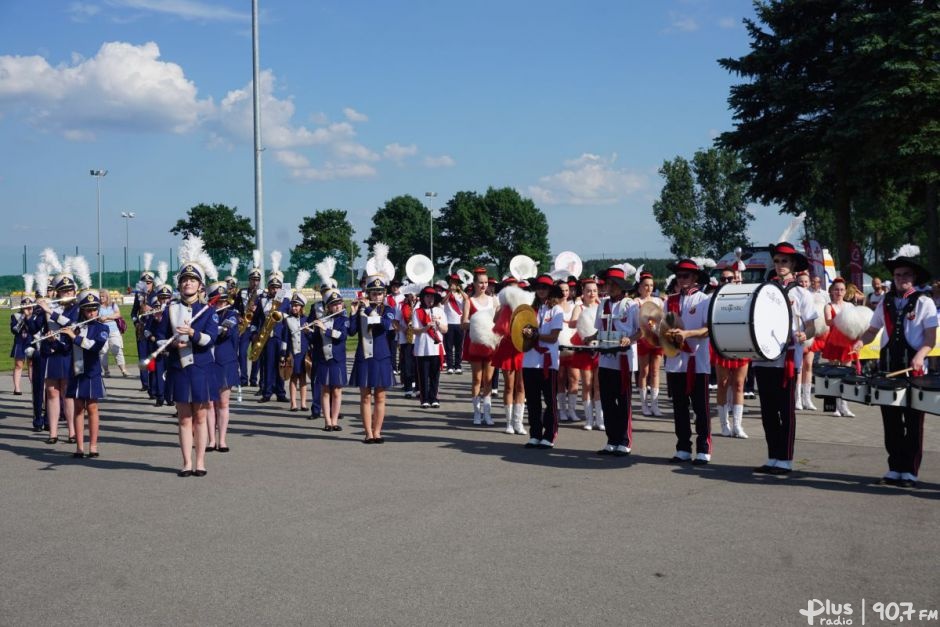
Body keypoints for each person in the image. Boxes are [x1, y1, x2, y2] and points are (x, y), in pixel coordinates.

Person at [853, 247, 937, 488]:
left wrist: (920, 356)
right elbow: (872, 331)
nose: (901, 279)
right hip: (888, 369)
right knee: (890, 422)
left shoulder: (925, 302)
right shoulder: (885, 302)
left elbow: (930, 339)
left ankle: (909, 471)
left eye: (906, 275)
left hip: (914, 371)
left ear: (914, 278)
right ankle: (894, 468)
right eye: (898, 275)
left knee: (912, 423)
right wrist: (859, 342)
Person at [751, 242, 818, 476]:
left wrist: (803, 335)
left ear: (794, 265)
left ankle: (786, 458)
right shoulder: (765, 290)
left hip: (787, 359)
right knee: (768, 411)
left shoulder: (802, 294)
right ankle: (773, 456)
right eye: (777, 261)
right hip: (763, 358)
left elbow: (812, 327)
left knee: (786, 411)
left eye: (785, 261)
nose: (780, 265)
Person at [158, 245, 220, 478]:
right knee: (184, 417)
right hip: (179, 368)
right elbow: (158, 339)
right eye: (185, 280)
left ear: (200, 285)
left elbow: (211, 339)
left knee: (201, 416)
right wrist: (171, 344)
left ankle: (200, 461)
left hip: (201, 368)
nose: (188, 284)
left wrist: (193, 334)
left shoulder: (207, 311)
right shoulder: (170, 310)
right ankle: (186, 462)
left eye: (192, 280)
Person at [662, 259, 713, 465]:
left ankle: (703, 449)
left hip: (697, 362)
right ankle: (683, 447)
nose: (681, 279)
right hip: (675, 362)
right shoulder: (669, 301)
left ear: (695, 278)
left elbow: (708, 329)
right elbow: (664, 328)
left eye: (686, 276)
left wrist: (687, 334)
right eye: (679, 276)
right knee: (679, 408)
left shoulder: (704, 300)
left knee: (701, 408)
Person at [590, 266, 638, 456]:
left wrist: (630, 339)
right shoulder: (602, 304)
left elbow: (641, 330)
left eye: (612, 284)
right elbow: (598, 329)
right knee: (607, 400)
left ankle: (624, 440)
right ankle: (612, 439)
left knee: (623, 401)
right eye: (607, 283)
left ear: (620, 286)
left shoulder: (631, 305)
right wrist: (590, 338)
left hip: (624, 359)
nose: (608, 287)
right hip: (605, 359)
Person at [62, 289, 110, 458]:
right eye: (88, 309)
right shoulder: (75, 326)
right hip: (76, 371)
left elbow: (94, 346)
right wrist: (55, 340)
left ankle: (93, 446)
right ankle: (79, 447)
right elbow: (65, 348)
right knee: (78, 409)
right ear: (82, 310)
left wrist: (74, 337)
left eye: (94, 308)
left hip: (91, 372)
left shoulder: (102, 328)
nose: (92, 312)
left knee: (92, 408)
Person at [349, 275, 396, 443]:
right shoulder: (361, 309)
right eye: (373, 293)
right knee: (365, 396)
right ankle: (368, 432)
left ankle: (377, 432)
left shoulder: (389, 310)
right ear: (368, 294)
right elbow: (351, 331)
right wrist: (353, 313)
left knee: (380, 396)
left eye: (379, 293)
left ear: (384, 294)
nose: (376, 296)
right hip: (364, 356)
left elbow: (384, 325)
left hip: (381, 356)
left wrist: (369, 309)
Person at [38, 269, 82, 445]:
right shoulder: (50, 306)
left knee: (67, 391)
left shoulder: (76, 308)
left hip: (67, 351)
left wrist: (50, 311)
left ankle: (72, 432)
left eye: (70, 290)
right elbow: (36, 326)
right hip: (51, 352)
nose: (67, 294)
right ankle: (53, 433)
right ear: (58, 292)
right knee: (51, 391)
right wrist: (35, 309)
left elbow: (71, 324)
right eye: (64, 291)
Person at [521, 274, 564, 449]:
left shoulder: (556, 310)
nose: (541, 290)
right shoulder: (529, 310)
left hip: (548, 361)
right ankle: (535, 434)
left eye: (544, 288)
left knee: (550, 400)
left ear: (550, 290)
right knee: (532, 401)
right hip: (529, 360)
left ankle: (549, 434)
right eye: (538, 287)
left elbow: (553, 337)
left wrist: (536, 335)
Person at [714, 266, 750, 438]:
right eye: (724, 279)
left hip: (741, 344)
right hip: (722, 345)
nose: (727, 282)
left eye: (731, 279)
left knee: (739, 384)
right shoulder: (713, 298)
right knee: (723, 383)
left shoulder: (745, 295)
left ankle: (738, 425)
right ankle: (724, 425)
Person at [491, 280, 528, 435]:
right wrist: (501, 310)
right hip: (507, 347)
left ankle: (518, 423)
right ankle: (508, 423)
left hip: (522, 347)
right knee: (508, 386)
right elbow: (495, 324)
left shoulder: (525, 307)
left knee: (521, 386)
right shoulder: (503, 308)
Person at [461, 268, 498, 424]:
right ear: (474, 284)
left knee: (488, 380)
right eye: (480, 283)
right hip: (475, 342)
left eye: (486, 283)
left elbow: (498, 322)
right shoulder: (469, 301)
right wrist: (476, 324)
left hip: (490, 343)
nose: (483, 285)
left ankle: (487, 413)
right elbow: (463, 324)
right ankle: (477, 413)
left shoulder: (494, 300)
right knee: (477, 379)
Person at [253, 257, 290, 403]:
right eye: (272, 287)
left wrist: (282, 315)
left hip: (280, 336)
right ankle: (267, 392)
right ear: (268, 287)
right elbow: (256, 319)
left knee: (281, 364)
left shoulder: (285, 301)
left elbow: (290, 317)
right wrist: (255, 333)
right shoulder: (262, 300)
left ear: (280, 288)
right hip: (266, 337)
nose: (274, 289)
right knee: (267, 365)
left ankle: (281, 392)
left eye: (277, 287)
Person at [311, 289, 348, 431]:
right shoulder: (323, 320)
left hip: (338, 360)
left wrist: (324, 329)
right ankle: (327, 421)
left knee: (337, 391)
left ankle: (335, 420)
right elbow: (316, 341)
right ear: (328, 307)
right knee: (325, 391)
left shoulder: (344, 320)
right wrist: (309, 332)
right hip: (323, 359)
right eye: (334, 304)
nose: (337, 306)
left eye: (339, 303)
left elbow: (341, 336)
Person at [208, 282, 239, 452]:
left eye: (224, 301)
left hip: (225, 361)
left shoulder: (233, 314)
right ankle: (211, 440)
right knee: (210, 403)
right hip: (208, 362)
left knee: (223, 402)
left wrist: (213, 328)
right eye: (218, 301)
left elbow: (226, 330)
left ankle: (222, 440)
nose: (221, 305)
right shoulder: (206, 314)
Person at [821, 278, 856, 417]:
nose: (839, 292)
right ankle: (834, 406)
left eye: (842, 289)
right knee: (834, 373)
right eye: (836, 289)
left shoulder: (850, 306)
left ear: (845, 291)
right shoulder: (828, 306)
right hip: (834, 342)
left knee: (846, 373)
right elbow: (829, 322)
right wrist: (843, 318)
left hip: (847, 342)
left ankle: (844, 406)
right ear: (831, 291)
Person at [569, 277, 602, 429]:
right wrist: (583, 321)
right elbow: (572, 323)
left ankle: (600, 419)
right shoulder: (579, 307)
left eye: (594, 290)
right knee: (587, 384)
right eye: (588, 291)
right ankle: (589, 419)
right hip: (584, 348)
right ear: (583, 292)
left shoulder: (602, 305)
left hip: (600, 349)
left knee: (598, 384)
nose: (592, 293)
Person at [413, 285, 448, 410]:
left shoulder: (439, 311)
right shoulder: (417, 311)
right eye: (427, 296)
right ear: (423, 298)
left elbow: (445, 330)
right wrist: (426, 327)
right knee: (423, 375)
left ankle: (434, 398)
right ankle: (424, 399)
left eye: (432, 297)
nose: (430, 299)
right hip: (422, 348)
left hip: (436, 347)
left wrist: (437, 324)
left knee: (435, 375)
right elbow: (415, 331)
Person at [634, 271, 664, 417]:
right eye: (646, 285)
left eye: (651, 285)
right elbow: (638, 322)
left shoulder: (659, 301)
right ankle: (644, 404)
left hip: (657, 339)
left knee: (655, 371)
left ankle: (655, 404)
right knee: (644, 371)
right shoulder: (636, 302)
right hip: (643, 339)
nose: (649, 288)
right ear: (640, 287)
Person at [279, 290, 311, 412]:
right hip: (292, 353)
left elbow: (310, 338)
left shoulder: (307, 320)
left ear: (302, 307)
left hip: (304, 353)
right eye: (293, 305)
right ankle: (293, 403)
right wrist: (283, 355)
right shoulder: (287, 320)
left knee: (303, 378)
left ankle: (303, 403)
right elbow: (285, 339)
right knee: (293, 378)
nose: (294, 307)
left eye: (296, 305)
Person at [555, 279, 581, 422]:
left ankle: (572, 410)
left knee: (574, 378)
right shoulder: (553, 307)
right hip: (558, 348)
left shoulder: (574, 306)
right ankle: (562, 410)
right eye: (561, 290)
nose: (564, 293)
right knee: (560, 378)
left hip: (573, 347)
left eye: (567, 290)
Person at [796, 271, 822, 411]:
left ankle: (807, 398)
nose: (804, 284)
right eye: (801, 281)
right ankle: (797, 398)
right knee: (799, 368)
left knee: (809, 365)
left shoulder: (817, 295)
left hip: (811, 336)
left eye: (806, 281)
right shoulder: (794, 294)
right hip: (798, 335)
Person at [131, 262, 156, 391]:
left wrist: (151, 309)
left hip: (153, 329)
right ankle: (145, 383)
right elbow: (133, 313)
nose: (146, 284)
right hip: (141, 329)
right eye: (144, 282)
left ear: (152, 283)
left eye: (149, 282)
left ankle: (152, 384)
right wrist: (136, 323)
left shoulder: (157, 295)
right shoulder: (138, 295)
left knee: (152, 356)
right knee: (142, 356)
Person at [97, 289, 129, 378]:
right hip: (101, 331)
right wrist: (99, 319)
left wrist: (107, 317)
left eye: (103, 296)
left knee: (117, 350)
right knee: (103, 352)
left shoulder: (113, 305)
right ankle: (106, 371)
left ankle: (123, 370)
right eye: (100, 296)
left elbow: (118, 314)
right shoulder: (97, 306)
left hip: (113, 330)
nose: (101, 298)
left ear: (107, 297)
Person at [394, 288, 418, 399]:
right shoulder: (400, 305)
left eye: (414, 295)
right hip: (406, 339)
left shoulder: (421, 304)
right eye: (410, 295)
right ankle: (408, 388)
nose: (412, 297)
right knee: (407, 364)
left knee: (418, 364)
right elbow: (395, 321)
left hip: (419, 339)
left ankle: (418, 388)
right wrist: (403, 329)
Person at [10, 294, 34, 396]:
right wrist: (23, 316)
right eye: (25, 304)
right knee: (19, 364)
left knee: (31, 364)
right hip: (20, 342)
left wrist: (29, 317)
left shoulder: (35, 316)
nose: (27, 306)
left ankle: (34, 386)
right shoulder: (16, 316)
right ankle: (17, 387)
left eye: (29, 305)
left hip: (32, 341)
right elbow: (15, 330)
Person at [442, 273, 465, 374]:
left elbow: (467, 300)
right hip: (449, 322)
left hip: (459, 323)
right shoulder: (445, 293)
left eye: (456, 282)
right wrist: (450, 292)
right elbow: (442, 302)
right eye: (452, 282)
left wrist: (460, 291)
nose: (454, 284)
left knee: (459, 346)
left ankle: (458, 366)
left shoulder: (461, 294)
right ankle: (450, 366)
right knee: (449, 346)